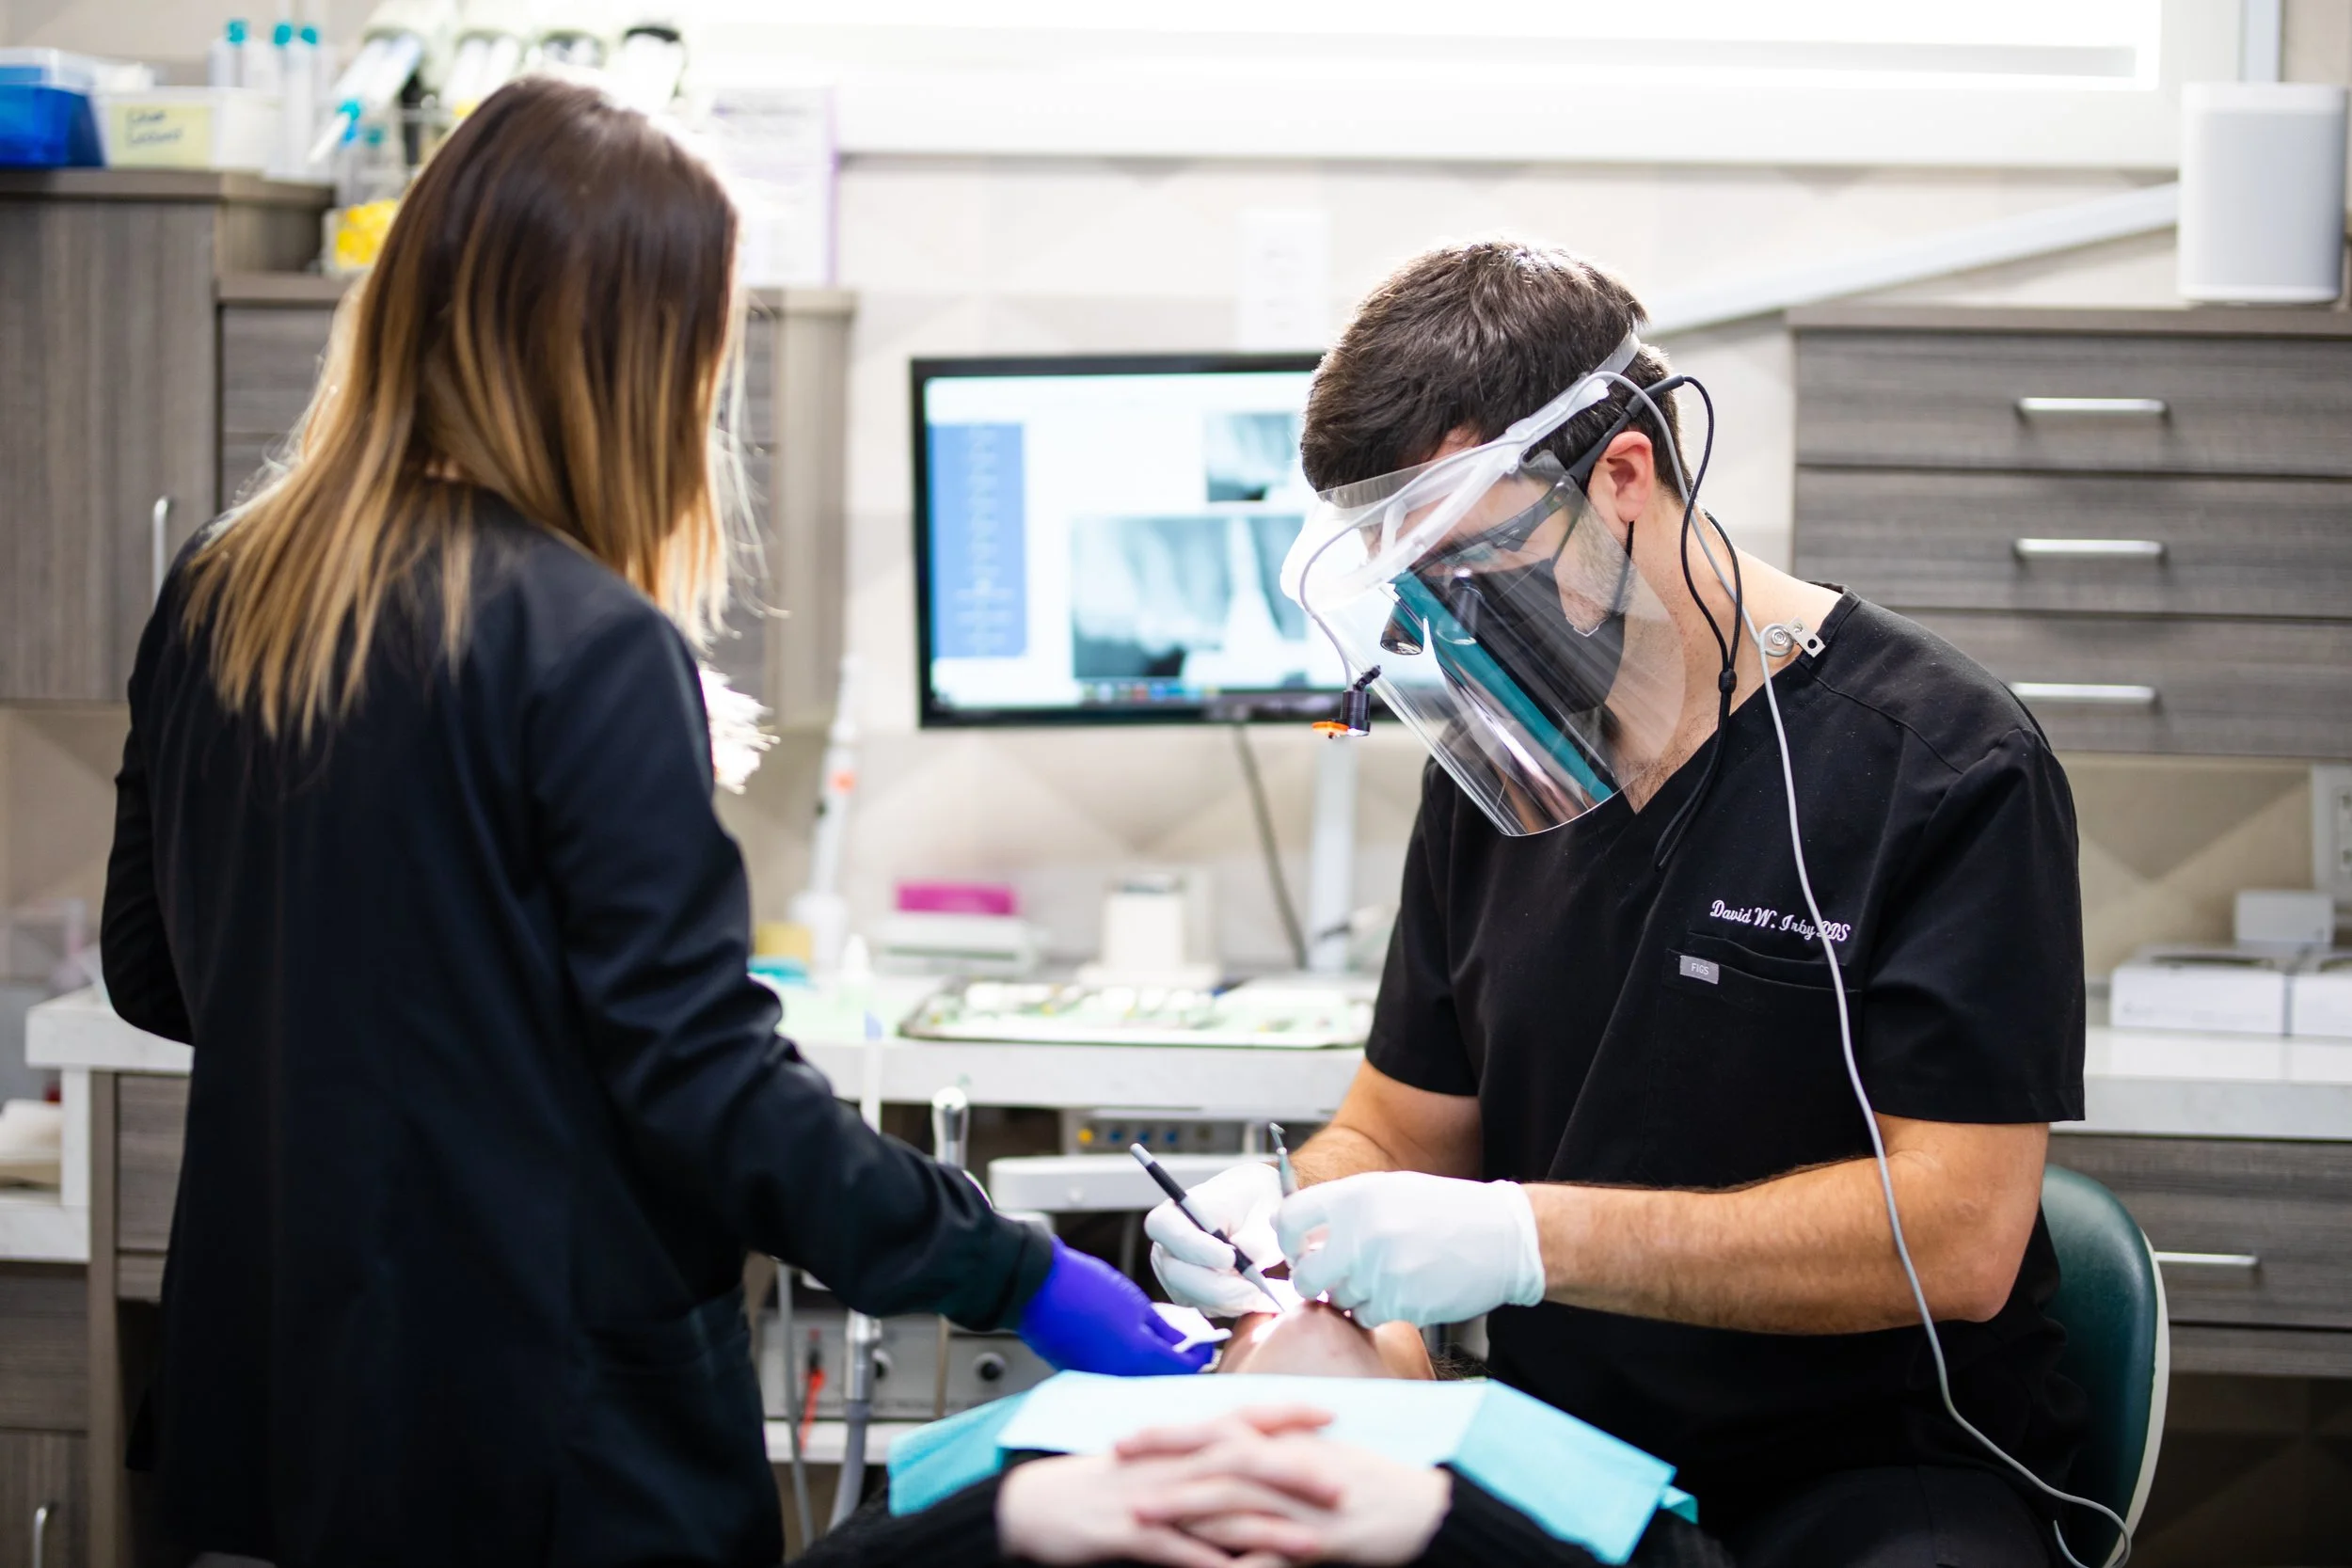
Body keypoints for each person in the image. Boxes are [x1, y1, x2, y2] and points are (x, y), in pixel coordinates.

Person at [99, 77, 1198, 1568]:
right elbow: (707, 1088)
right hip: (531, 1453)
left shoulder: (223, 592)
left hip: (269, 1425)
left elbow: (154, 974)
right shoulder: (588, 640)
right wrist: (1016, 1270)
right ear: (639, 357)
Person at [1149, 243, 2089, 1568]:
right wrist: (1289, 1228)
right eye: (1406, 584)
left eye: (1465, 569)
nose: (1442, 627)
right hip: (1566, 1453)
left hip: (1877, 1464)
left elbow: (1957, 1238)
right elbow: (1399, 1127)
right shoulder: (1503, 768)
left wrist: (1528, 1236)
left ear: (1624, 477)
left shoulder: (1941, 763)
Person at [797, 1302, 1735, 1568]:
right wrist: (1004, 1513)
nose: (1305, 1286)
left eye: (1365, 1297)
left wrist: (1452, 1524)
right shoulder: (1049, 1460)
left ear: (1433, 1382)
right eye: (1257, 1294)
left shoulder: (1524, 1475)